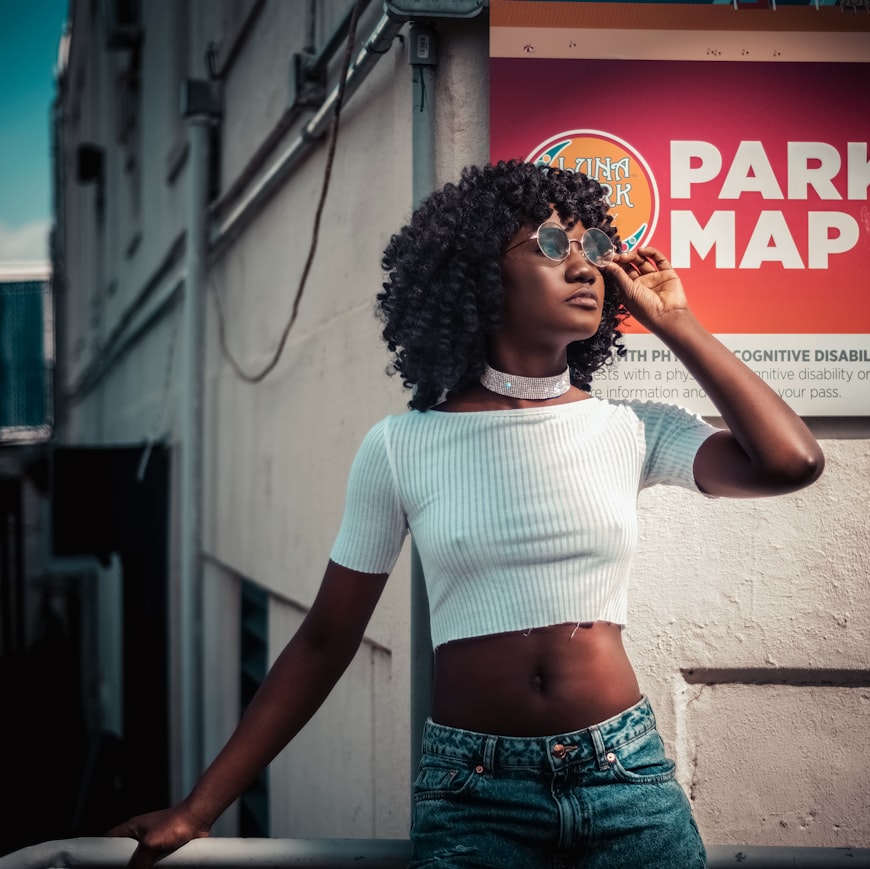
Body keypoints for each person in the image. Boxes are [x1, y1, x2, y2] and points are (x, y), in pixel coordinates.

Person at [109, 160, 824, 868]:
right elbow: (326, 639)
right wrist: (199, 809)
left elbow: (791, 462)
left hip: (624, 775)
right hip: (475, 795)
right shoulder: (402, 445)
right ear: (480, 275)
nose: (585, 267)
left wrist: (676, 323)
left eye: (595, 248)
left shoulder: (634, 427)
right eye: (551, 245)